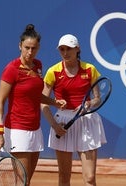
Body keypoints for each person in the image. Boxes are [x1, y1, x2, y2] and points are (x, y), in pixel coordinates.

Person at [0, 24, 66, 186]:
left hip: (35, 130)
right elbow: (0, 102)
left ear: (38, 48)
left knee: (26, 182)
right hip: (18, 130)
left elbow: (35, 95)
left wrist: (54, 102)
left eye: (34, 48)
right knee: (22, 183)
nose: (30, 52)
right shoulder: (11, 69)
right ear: (20, 46)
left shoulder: (38, 66)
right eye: (26, 48)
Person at [41, 34, 107, 186]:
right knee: (64, 177)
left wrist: (89, 105)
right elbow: (43, 102)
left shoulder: (90, 69)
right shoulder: (53, 71)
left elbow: (98, 98)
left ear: (78, 49)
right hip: (62, 123)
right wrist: (55, 126)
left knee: (90, 178)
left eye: (69, 49)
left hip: (87, 122)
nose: (65, 52)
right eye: (62, 49)